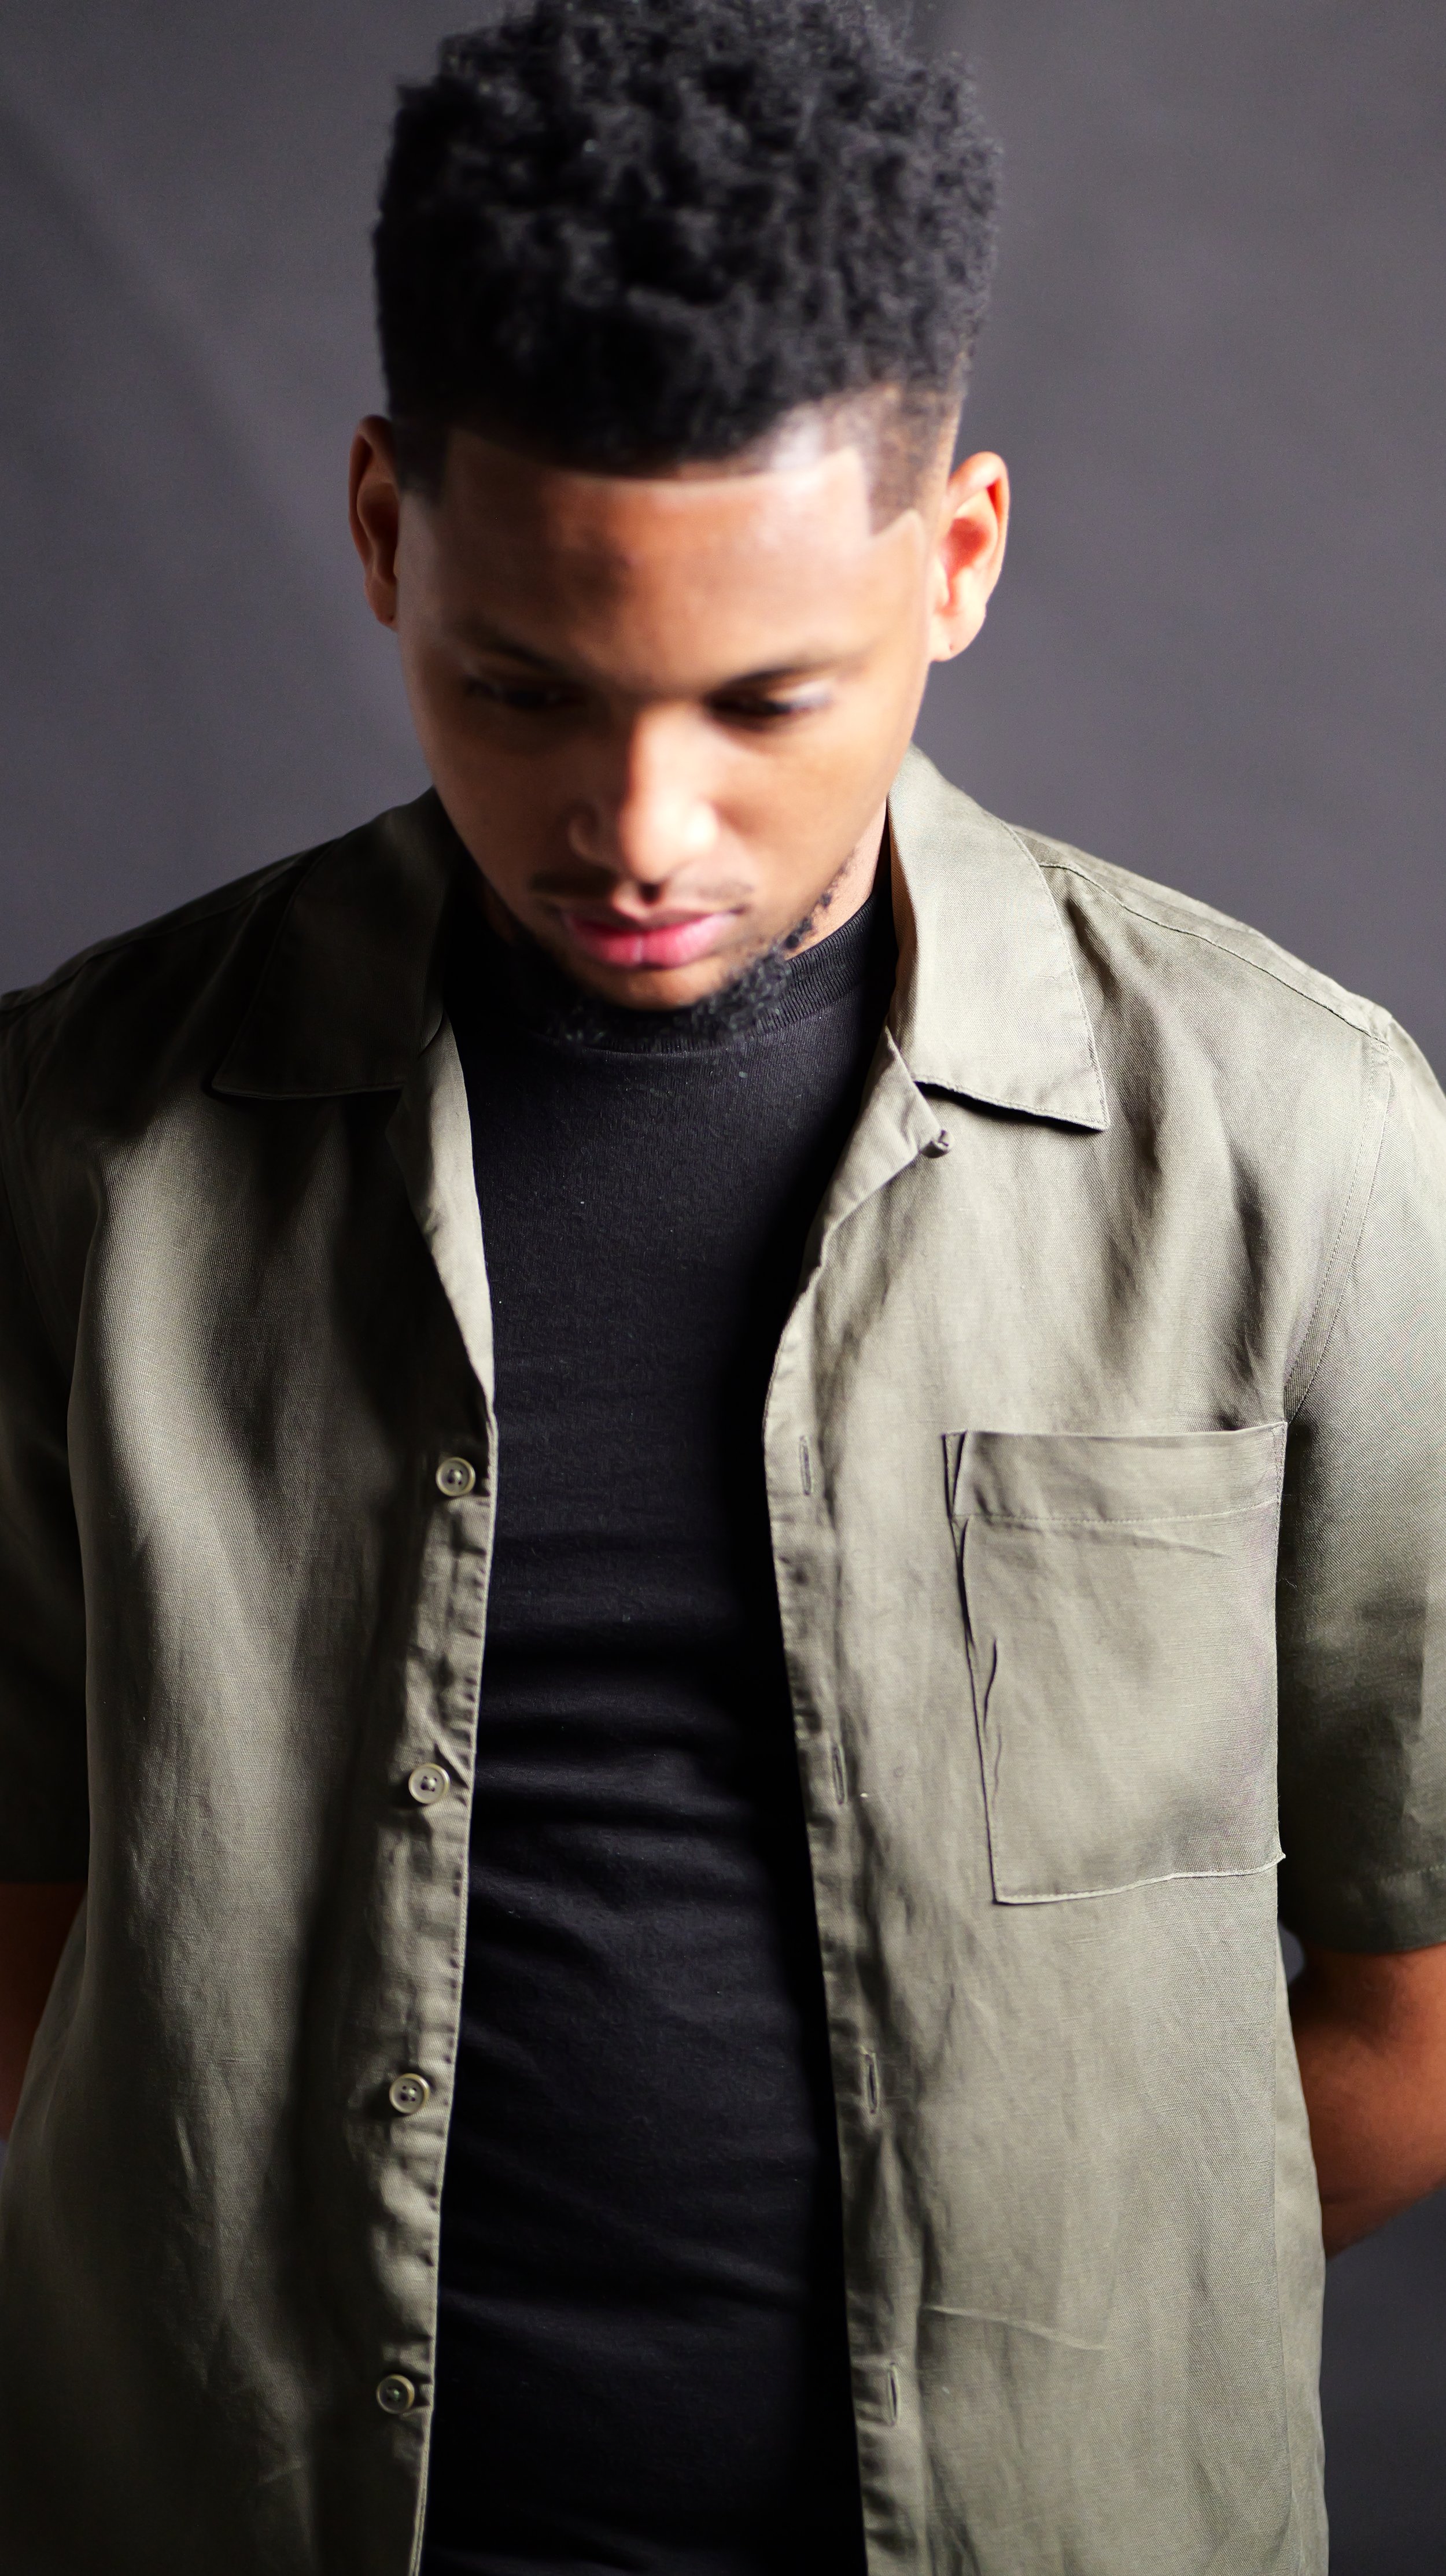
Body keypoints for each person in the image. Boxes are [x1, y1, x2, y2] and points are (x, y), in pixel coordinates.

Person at [2, 0, 1446, 2567]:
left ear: (961, 558)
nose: (638, 825)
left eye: (769, 699)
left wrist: (1055, 2330)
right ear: (378, 532)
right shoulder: (79, 1146)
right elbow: (28, 1959)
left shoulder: (1298, 1145)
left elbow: (1411, 2006)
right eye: (518, 685)